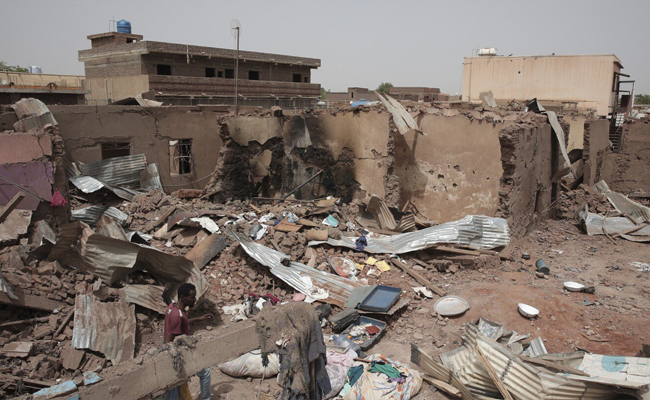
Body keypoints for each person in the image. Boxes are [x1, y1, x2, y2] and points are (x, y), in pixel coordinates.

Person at [162, 283, 213, 400]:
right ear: (183, 298)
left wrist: (198, 319)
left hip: (177, 356)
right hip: (179, 355)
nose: (194, 299)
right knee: (205, 373)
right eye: (192, 297)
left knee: (175, 385)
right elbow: (168, 341)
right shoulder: (177, 316)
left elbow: (181, 322)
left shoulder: (172, 307)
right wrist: (174, 361)